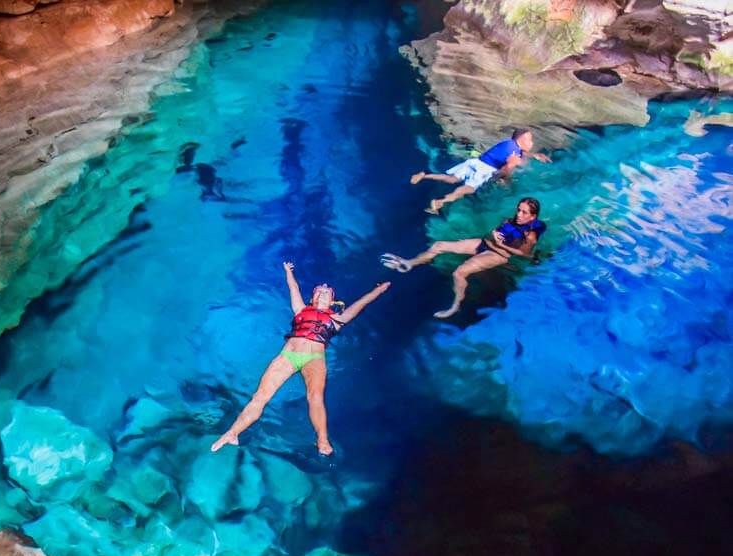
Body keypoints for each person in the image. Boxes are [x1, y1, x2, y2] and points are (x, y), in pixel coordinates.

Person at [211, 262, 390, 456]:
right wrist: (288, 271)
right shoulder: (301, 309)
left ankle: (322, 441)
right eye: (318, 291)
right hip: (287, 355)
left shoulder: (338, 319)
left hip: (314, 359)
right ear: (312, 298)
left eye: (327, 292)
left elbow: (361, 303)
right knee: (260, 396)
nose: (323, 291)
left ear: (332, 301)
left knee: (315, 397)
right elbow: (293, 288)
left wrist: (378, 290)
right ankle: (232, 433)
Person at [381, 197, 546, 319]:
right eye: (518, 209)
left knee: (459, 273)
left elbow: (522, 253)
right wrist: (492, 238)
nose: (518, 214)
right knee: (439, 245)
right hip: (485, 243)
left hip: (499, 254)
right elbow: (494, 235)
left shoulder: (529, 234)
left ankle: (455, 306)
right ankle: (411, 262)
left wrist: (499, 244)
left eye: (524, 212)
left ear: (533, 217)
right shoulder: (511, 220)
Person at [411, 129, 551, 214]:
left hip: (475, 162)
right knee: (468, 189)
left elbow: (518, 153)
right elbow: (506, 169)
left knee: (452, 178)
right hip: (485, 170)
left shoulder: (508, 142)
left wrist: (535, 155)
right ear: (522, 140)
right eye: (530, 141)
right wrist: (505, 181)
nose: (532, 144)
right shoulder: (514, 155)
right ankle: (440, 202)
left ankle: (425, 175)